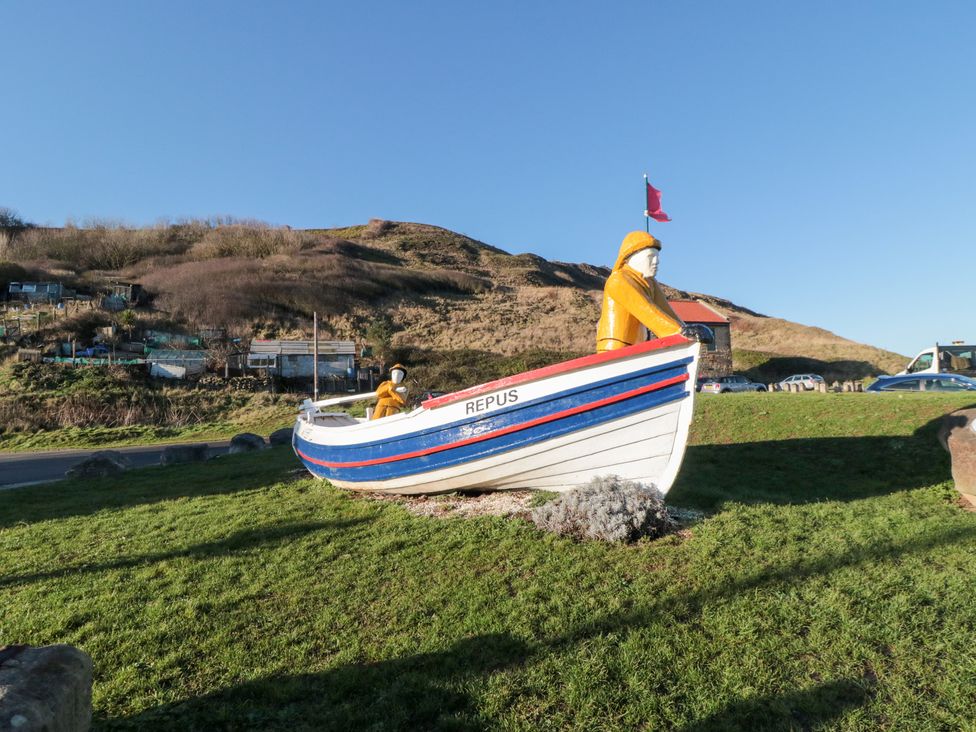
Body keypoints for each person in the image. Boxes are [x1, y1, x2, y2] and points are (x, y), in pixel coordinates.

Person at [596, 231, 691, 353]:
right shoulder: (619, 280)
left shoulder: (650, 282)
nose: (656, 261)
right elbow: (647, 312)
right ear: (630, 258)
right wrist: (680, 332)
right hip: (615, 348)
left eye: (657, 257)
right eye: (650, 256)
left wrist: (685, 328)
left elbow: (666, 311)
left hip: (637, 348)